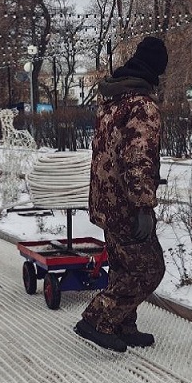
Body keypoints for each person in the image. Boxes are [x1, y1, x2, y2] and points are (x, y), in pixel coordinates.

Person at [76, 36, 168, 353]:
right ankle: (96, 319)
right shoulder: (143, 106)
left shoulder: (112, 103)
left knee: (123, 267)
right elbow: (137, 157)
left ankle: (123, 324)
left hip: (105, 200)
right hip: (127, 204)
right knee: (149, 269)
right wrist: (144, 205)